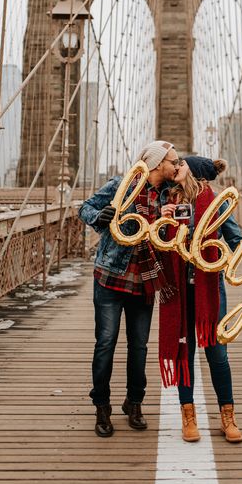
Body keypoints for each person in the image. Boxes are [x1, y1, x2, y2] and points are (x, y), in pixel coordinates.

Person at [159, 156, 242, 444]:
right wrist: (163, 218)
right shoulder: (165, 199)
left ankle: (227, 416)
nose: (176, 166)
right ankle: (189, 415)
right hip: (180, 288)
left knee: (217, 354)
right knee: (185, 352)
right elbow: (153, 240)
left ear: (193, 172)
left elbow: (235, 238)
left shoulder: (216, 202)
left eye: (181, 163)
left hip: (210, 288)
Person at [79, 140, 180, 438]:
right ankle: (102, 407)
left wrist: (170, 220)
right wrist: (99, 217)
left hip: (145, 280)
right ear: (157, 163)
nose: (176, 165)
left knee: (139, 346)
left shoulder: (169, 196)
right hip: (112, 276)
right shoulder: (120, 185)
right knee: (105, 343)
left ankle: (134, 403)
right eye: (172, 161)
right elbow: (85, 208)